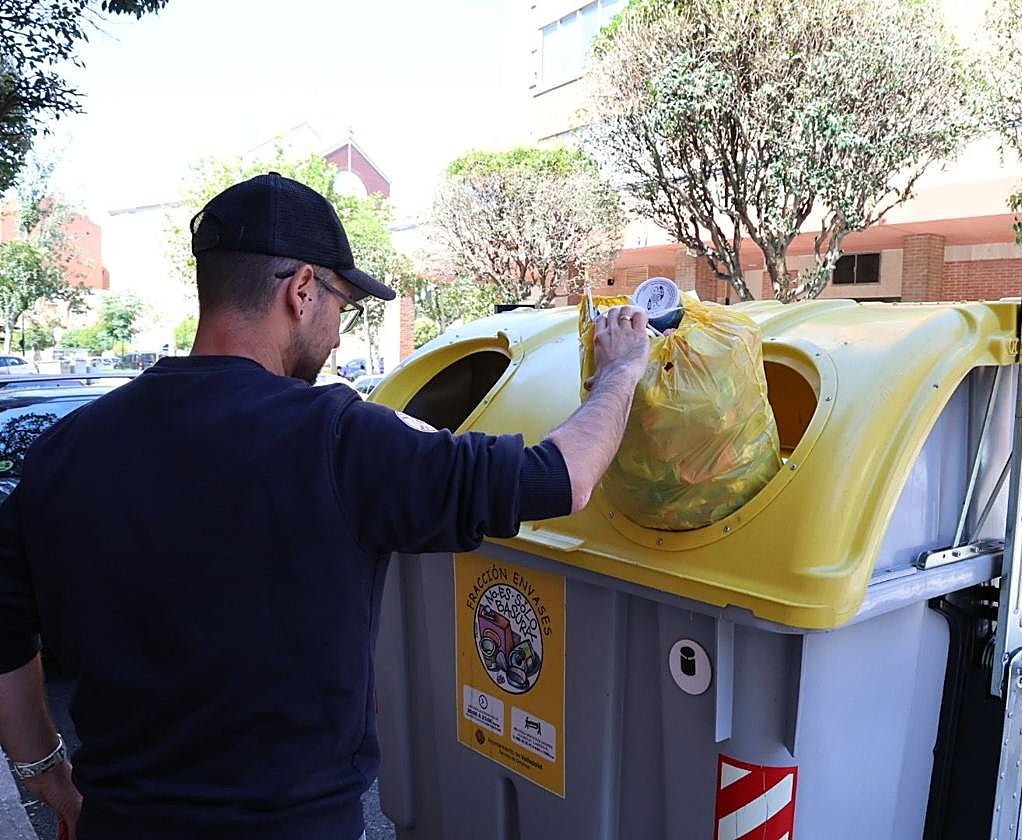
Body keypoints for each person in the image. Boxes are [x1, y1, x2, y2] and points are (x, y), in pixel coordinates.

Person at [0, 172, 650, 840]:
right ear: (302, 290)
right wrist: (621, 370)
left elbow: (6, 633)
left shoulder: (62, 453)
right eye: (343, 305)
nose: (339, 336)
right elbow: (563, 478)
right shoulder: (340, 438)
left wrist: (49, 776)